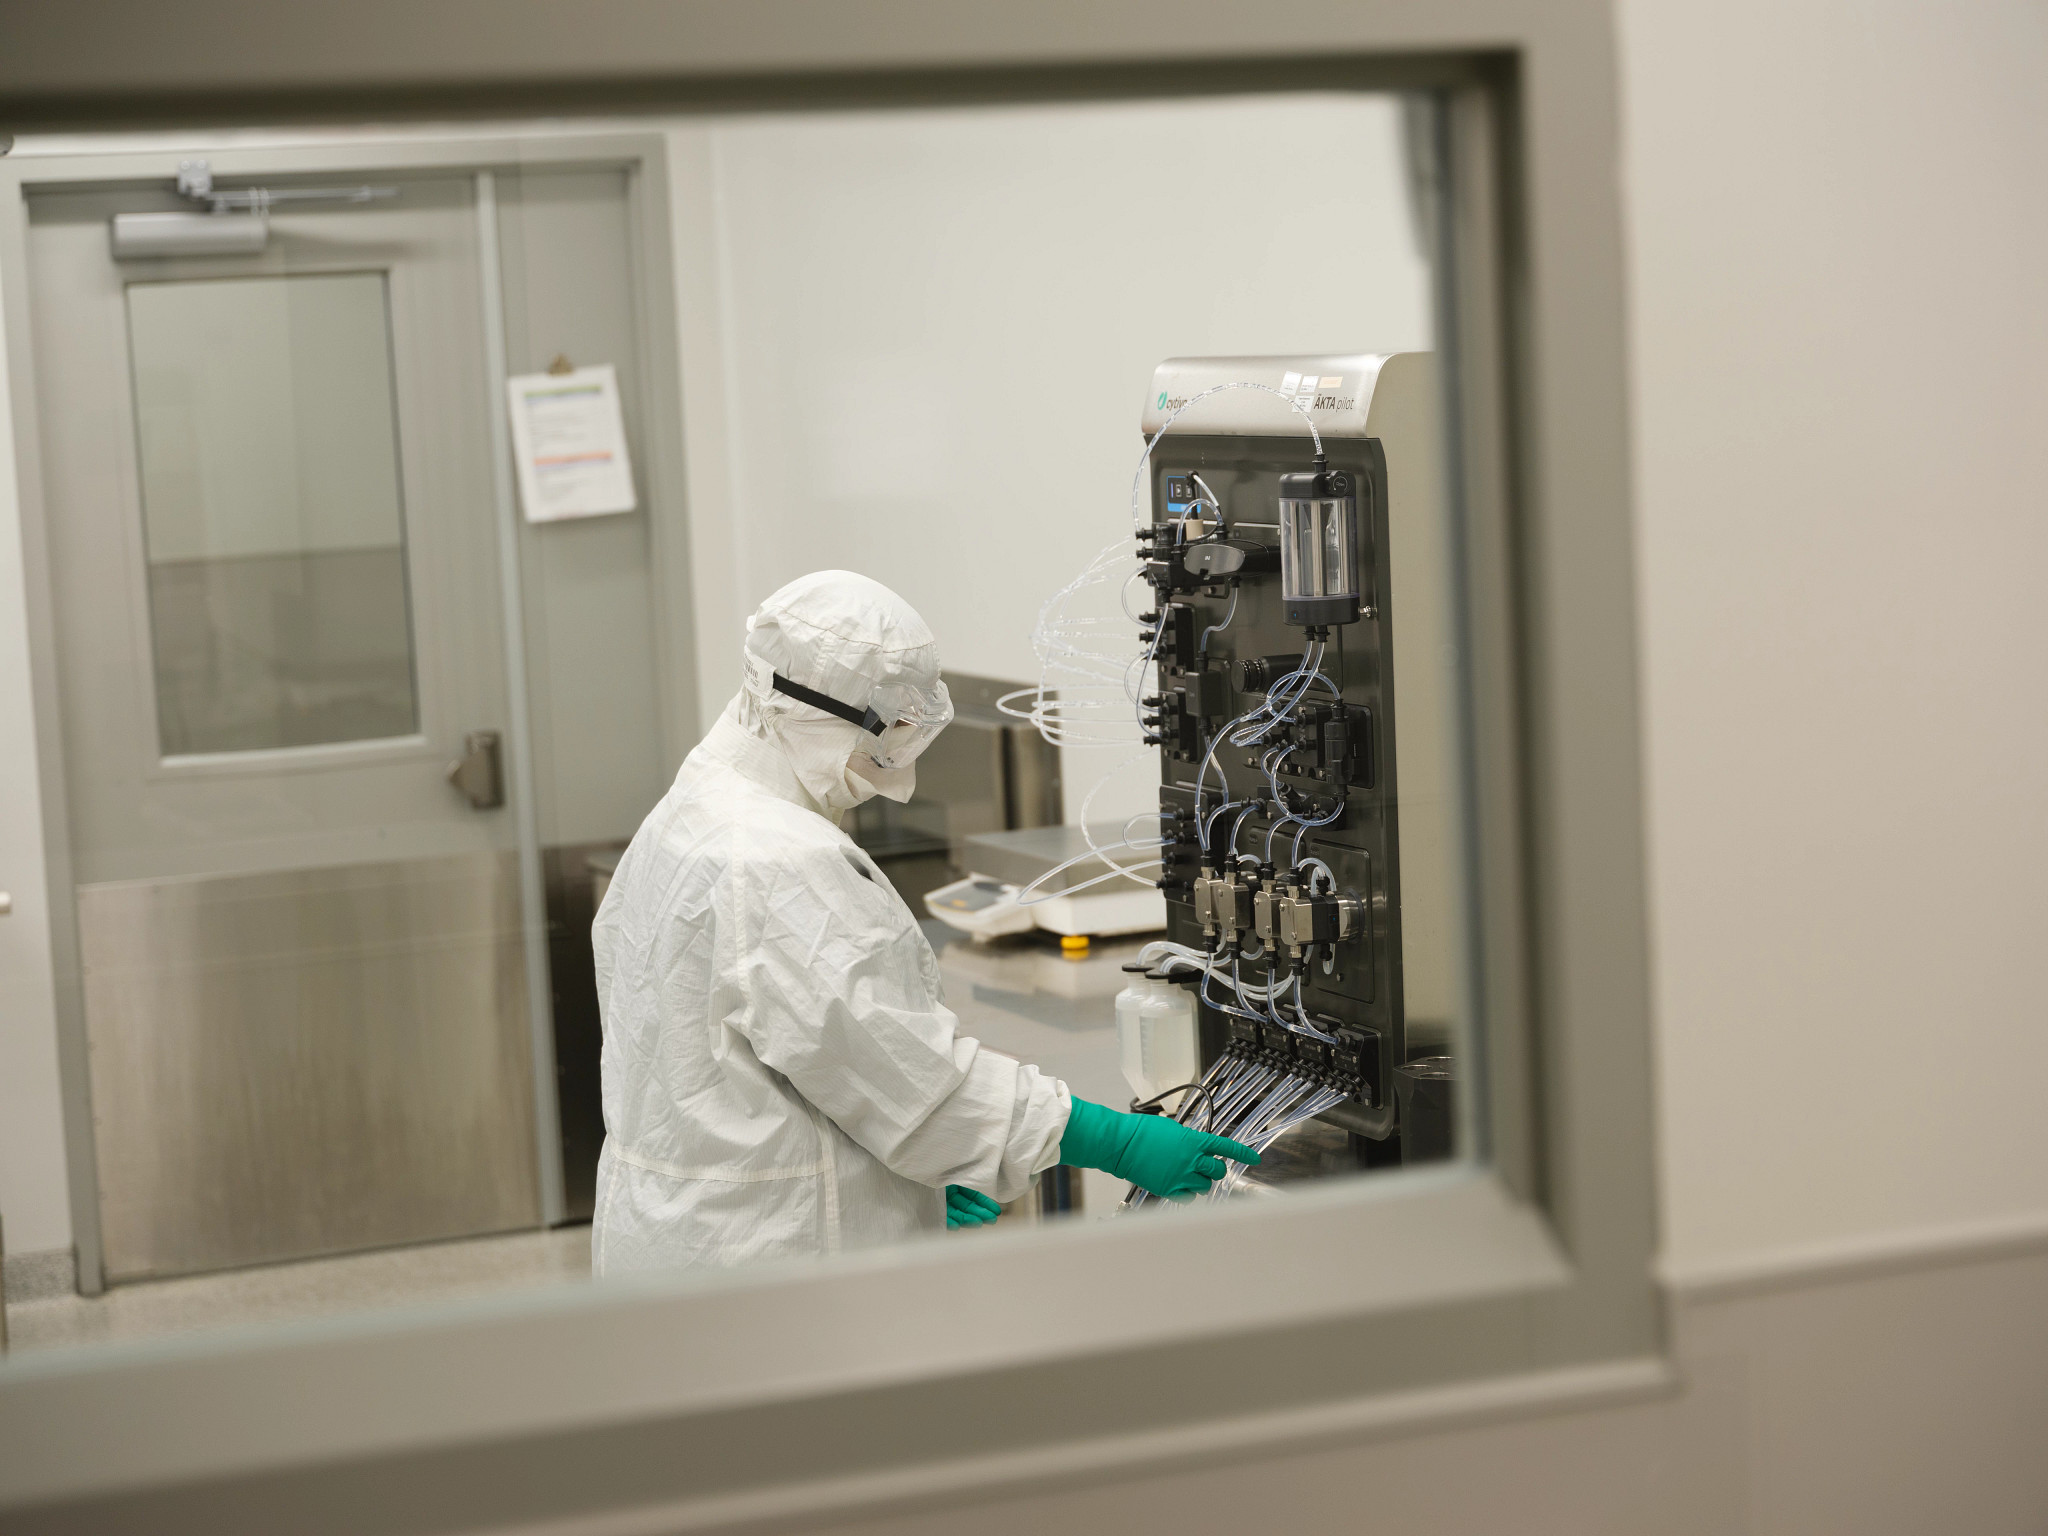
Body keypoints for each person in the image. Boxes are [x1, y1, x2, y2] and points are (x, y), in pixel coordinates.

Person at [589, 570, 1257, 1275]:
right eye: (887, 741)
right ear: (812, 712)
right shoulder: (778, 863)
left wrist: (902, 1180)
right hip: (774, 1263)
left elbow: (778, 1067)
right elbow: (920, 1082)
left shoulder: (695, 810)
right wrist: (1112, 1140)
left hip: (680, 1232)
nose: (895, 774)